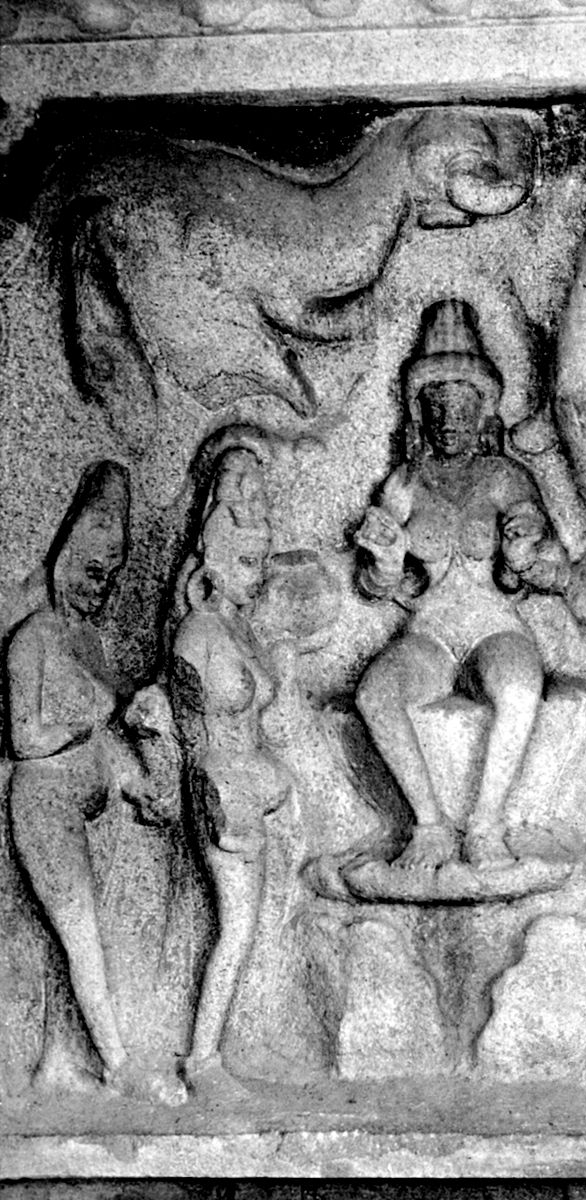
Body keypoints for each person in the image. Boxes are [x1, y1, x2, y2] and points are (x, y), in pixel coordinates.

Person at [354, 299, 566, 871]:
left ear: (483, 409)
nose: (449, 418)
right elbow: (375, 586)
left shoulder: (505, 477)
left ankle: (486, 823)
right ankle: (429, 825)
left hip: (494, 625)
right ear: (420, 412)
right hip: (430, 632)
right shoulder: (405, 483)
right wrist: (387, 559)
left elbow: (544, 561)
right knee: (375, 692)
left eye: (461, 404)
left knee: (519, 685)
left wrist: (524, 551)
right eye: (436, 404)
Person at [6, 460, 184, 1104]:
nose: (98, 586)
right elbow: (26, 738)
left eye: (109, 576)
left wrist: (140, 782)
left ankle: (66, 1059)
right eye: (89, 570)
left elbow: (108, 735)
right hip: (44, 804)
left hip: (94, 806)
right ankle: (119, 1065)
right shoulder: (33, 638)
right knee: (82, 936)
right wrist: (85, 723)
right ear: (63, 557)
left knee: (92, 939)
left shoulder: (90, 643)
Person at [170, 447, 294, 1096]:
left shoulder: (237, 629)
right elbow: (189, 725)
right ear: (214, 562)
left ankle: (216, 1052)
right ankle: (202, 1062)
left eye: (261, 562)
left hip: (250, 783)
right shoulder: (198, 634)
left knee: (246, 932)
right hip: (219, 791)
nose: (258, 576)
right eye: (246, 563)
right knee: (235, 930)